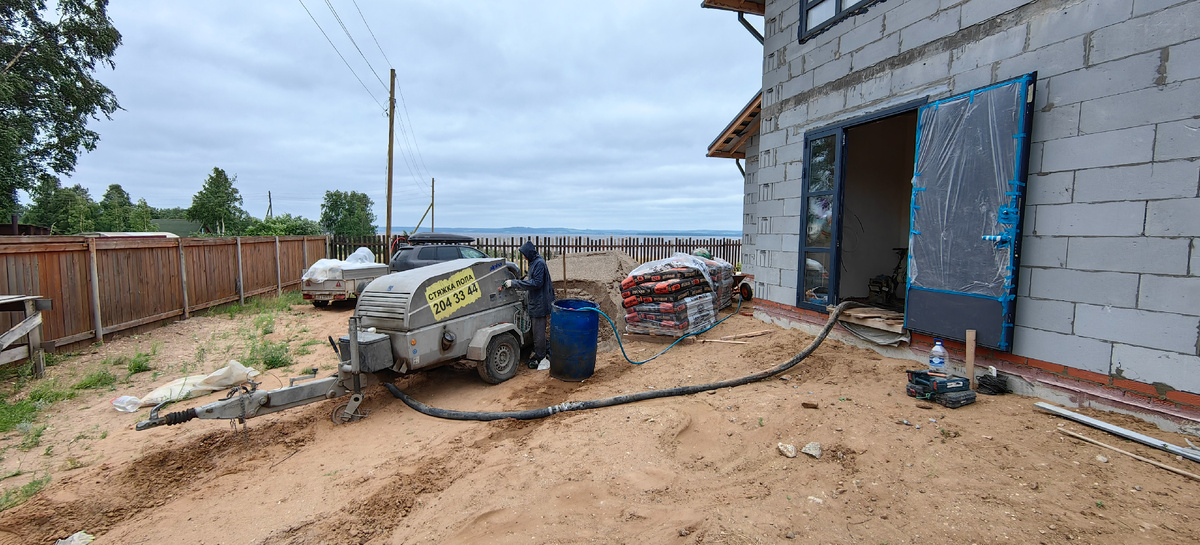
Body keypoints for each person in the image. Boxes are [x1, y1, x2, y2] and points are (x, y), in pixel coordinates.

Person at [503, 241, 556, 368]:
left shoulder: (539, 263)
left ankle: (541, 358)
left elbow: (537, 283)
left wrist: (515, 283)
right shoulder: (534, 262)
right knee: (535, 332)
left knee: (538, 333)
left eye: (525, 255)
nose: (524, 257)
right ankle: (550, 351)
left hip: (540, 303)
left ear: (530, 253)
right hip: (535, 302)